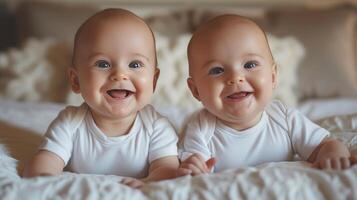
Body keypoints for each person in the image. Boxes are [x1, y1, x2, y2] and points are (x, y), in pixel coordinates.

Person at [177, 14, 357, 176]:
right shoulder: (199, 130)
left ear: (273, 77)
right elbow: (194, 170)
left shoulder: (284, 119)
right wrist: (194, 168)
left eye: (249, 65)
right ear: (196, 90)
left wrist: (333, 154)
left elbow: (323, 145)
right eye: (217, 70)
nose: (235, 78)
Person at [23, 8, 179, 188]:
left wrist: (148, 184)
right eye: (103, 64)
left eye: (135, 64)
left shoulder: (156, 128)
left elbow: (168, 170)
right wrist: (44, 181)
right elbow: (46, 161)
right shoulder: (70, 123)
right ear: (76, 81)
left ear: (154, 80)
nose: (120, 74)